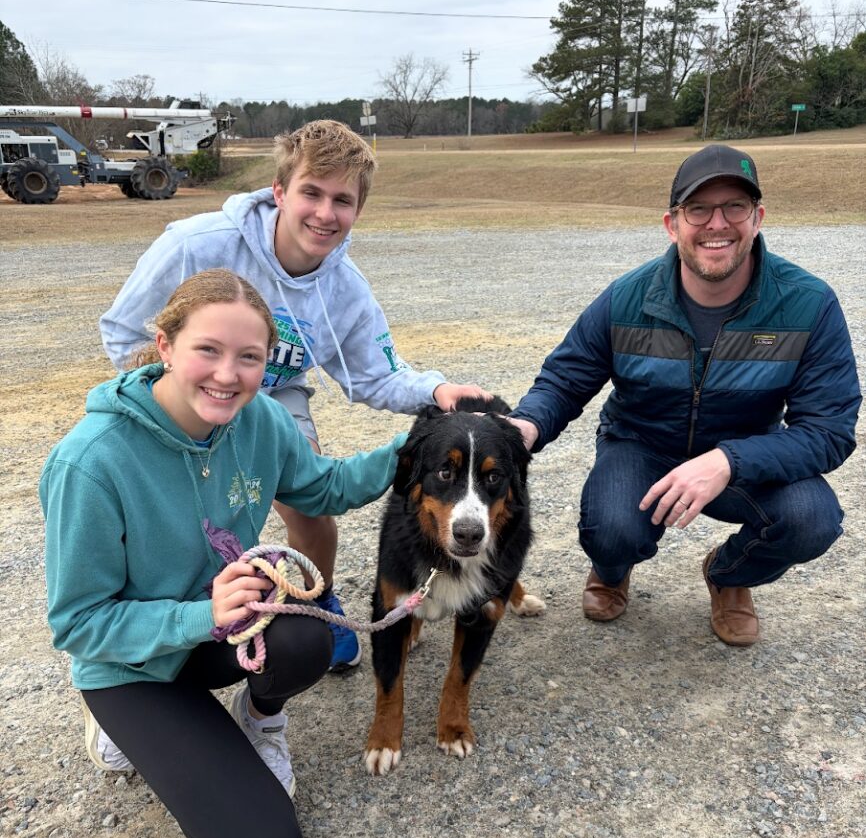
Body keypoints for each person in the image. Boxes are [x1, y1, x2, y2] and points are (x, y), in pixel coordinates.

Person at [41, 270, 410, 838]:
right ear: (165, 346)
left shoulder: (260, 419)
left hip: (224, 634)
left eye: (249, 358)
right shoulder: (91, 462)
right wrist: (200, 615)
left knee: (305, 637)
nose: (226, 374)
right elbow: (77, 624)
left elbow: (322, 487)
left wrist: (415, 445)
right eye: (207, 350)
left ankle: (260, 718)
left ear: (267, 366)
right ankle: (122, 722)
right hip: (132, 666)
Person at [99, 119, 486, 674]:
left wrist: (438, 389)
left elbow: (376, 375)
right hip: (180, 393)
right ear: (279, 190)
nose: (325, 214)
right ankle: (155, 629)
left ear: (358, 209)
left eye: (343, 200)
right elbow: (123, 330)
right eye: (311, 192)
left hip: (275, 400)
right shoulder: (196, 245)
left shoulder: (345, 289)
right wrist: (181, 395)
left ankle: (314, 599)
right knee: (182, 513)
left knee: (309, 503)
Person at [508, 144, 861, 646]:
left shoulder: (808, 305)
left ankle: (729, 575)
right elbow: (566, 379)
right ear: (672, 224)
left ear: (757, 217)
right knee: (610, 529)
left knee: (812, 520)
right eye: (699, 209)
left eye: (734, 207)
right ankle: (612, 569)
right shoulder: (626, 298)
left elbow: (827, 432)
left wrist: (727, 461)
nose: (717, 224)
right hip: (641, 443)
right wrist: (526, 427)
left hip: (747, 455)